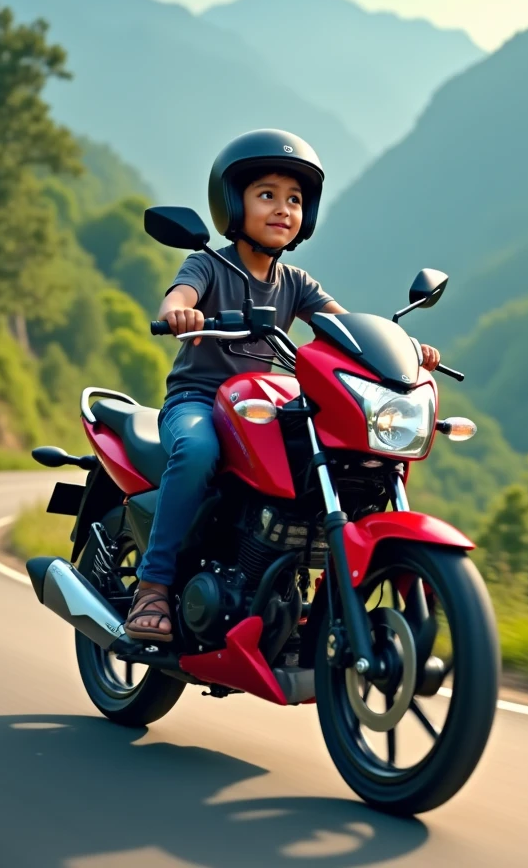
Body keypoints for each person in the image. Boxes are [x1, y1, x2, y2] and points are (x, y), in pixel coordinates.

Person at [124, 129, 441, 642]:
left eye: (294, 199)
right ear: (234, 203)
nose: (282, 208)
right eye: (266, 195)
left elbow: (346, 332)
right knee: (199, 451)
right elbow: (179, 294)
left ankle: (305, 591)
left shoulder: (297, 283)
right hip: (199, 401)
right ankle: (154, 586)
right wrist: (179, 312)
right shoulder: (209, 263)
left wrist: (405, 350)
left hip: (263, 405)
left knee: (339, 466)